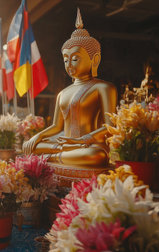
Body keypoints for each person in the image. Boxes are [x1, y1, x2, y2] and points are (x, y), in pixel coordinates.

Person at [22, 9, 117, 166]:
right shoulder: (63, 93)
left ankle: (48, 158)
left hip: (88, 146)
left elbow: (110, 127)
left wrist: (82, 140)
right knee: (32, 146)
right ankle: (54, 155)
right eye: (66, 60)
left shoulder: (103, 88)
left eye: (75, 59)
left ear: (95, 59)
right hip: (66, 145)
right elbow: (56, 126)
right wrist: (37, 137)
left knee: (96, 156)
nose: (69, 64)